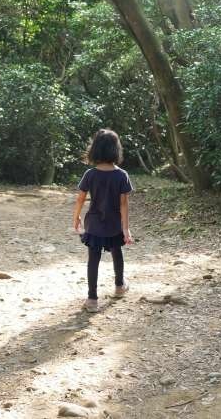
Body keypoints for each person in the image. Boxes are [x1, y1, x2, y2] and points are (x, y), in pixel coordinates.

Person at [72, 128, 134, 312]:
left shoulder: (90, 174)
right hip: (114, 225)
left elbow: (80, 199)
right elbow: (124, 205)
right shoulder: (122, 175)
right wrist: (126, 228)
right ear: (116, 149)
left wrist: (76, 216)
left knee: (93, 259)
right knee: (117, 253)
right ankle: (119, 287)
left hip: (94, 224)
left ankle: (92, 299)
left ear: (95, 149)